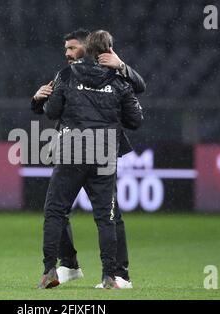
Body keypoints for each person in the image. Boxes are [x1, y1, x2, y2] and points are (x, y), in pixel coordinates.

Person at [31, 29, 145, 288]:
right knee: (107, 217)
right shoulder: (118, 79)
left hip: (72, 150)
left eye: (72, 48)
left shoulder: (66, 75)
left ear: (87, 48)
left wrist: (44, 103)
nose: (67, 54)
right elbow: (135, 118)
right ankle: (110, 275)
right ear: (108, 50)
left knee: (55, 212)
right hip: (103, 153)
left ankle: (51, 270)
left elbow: (53, 110)